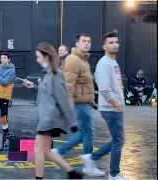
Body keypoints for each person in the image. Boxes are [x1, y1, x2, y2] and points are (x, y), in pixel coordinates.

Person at [22, 42, 82, 179]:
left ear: (47, 57)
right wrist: (33, 87)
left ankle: (39, 178)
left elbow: (63, 99)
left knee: (38, 150)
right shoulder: (46, 75)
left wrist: (72, 122)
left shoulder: (56, 74)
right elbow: (47, 93)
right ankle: (71, 172)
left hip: (49, 119)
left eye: (39, 57)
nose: (37, 60)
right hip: (45, 118)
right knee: (46, 151)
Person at [51, 33, 105, 177]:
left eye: (89, 41)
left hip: (84, 102)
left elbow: (84, 83)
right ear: (77, 43)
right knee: (89, 133)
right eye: (84, 41)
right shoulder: (74, 60)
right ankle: (89, 164)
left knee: (84, 133)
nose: (87, 43)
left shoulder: (83, 60)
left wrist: (91, 98)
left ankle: (58, 152)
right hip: (79, 104)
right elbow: (69, 84)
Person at [84, 31, 126, 180]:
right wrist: (116, 104)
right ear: (104, 46)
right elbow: (104, 89)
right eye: (111, 42)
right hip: (111, 108)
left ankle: (91, 158)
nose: (114, 45)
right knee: (118, 140)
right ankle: (114, 174)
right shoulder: (103, 63)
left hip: (115, 108)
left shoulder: (113, 62)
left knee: (118, 139)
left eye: (116, 42)